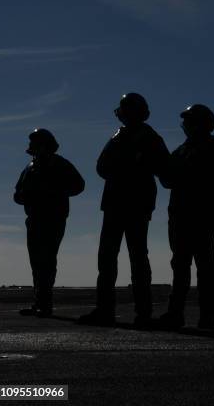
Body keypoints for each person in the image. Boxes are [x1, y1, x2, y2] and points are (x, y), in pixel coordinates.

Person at [78, 93, 170, 328]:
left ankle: (143, 312)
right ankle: (106, 309)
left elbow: (164, 170)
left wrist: (132, 167)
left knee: (137, 258)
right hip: (115, 204)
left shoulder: (149, 138)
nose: (122, 114)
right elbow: (102, 166)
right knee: (108, 259)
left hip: (135, 204)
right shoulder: (119, 136)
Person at [157, 104, 214, 329]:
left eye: (191, 121)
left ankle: (207, 317)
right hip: (180, 214)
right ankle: (175, 313)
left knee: (205, 266)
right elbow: (167, 179)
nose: (187, 126)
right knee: (180, 265)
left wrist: (199, 169)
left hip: (203, 214)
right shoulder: (181, 150)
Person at [14, 128, 85, 317]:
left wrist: (54, 193)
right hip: (34, 219)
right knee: (36, 262)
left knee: (46, 261)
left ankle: (44, 303)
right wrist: (26, 196)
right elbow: (18, 193)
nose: (30, 146)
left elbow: (79, 185)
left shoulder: (60, 164)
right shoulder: (30, 167)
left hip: (53, 219)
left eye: (34, 143)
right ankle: (40, 302)